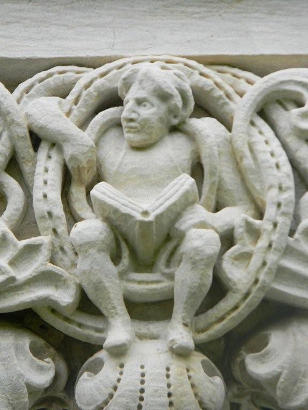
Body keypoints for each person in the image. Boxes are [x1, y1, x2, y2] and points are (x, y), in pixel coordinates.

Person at [26, 64, 258, 355]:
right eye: (128, 104)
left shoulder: (201, 138)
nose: (129, 114)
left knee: (204, 241)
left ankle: (182, 323)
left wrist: (211, 219)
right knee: (86, 233)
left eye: (144, 105)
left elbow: (244, 208)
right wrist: (72, 138)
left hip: (173, 248)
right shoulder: (105, 136)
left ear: (172, 114)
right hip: (119, 244)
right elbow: (36, 108)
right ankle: (117, 321)